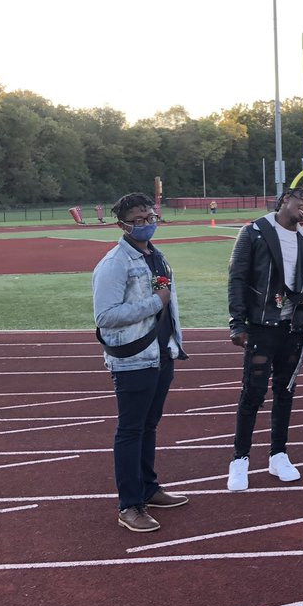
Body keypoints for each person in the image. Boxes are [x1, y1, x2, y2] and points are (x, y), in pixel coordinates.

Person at [93, 192, 189, 533]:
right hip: (133, 358)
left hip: (161, 354)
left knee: (149, 426)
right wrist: (153, 303)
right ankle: (130, 505)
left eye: (150, 218)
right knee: (131, 430)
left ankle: (149, 488)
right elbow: (105, 316)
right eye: (138, 220)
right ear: (122, 225)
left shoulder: (156, 256)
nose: (146, 224)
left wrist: (174, 343)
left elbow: (168, 304)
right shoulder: (114, 263)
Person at [225, 188, 303, 492]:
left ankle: (278, 454)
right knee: (252, 393)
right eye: (301, 201)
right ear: (283, 201)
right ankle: (240, 460)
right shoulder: (254, 232)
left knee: (285, 391)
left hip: (292, 327)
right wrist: (237, 322)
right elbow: (237, 277)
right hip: (261, 324)